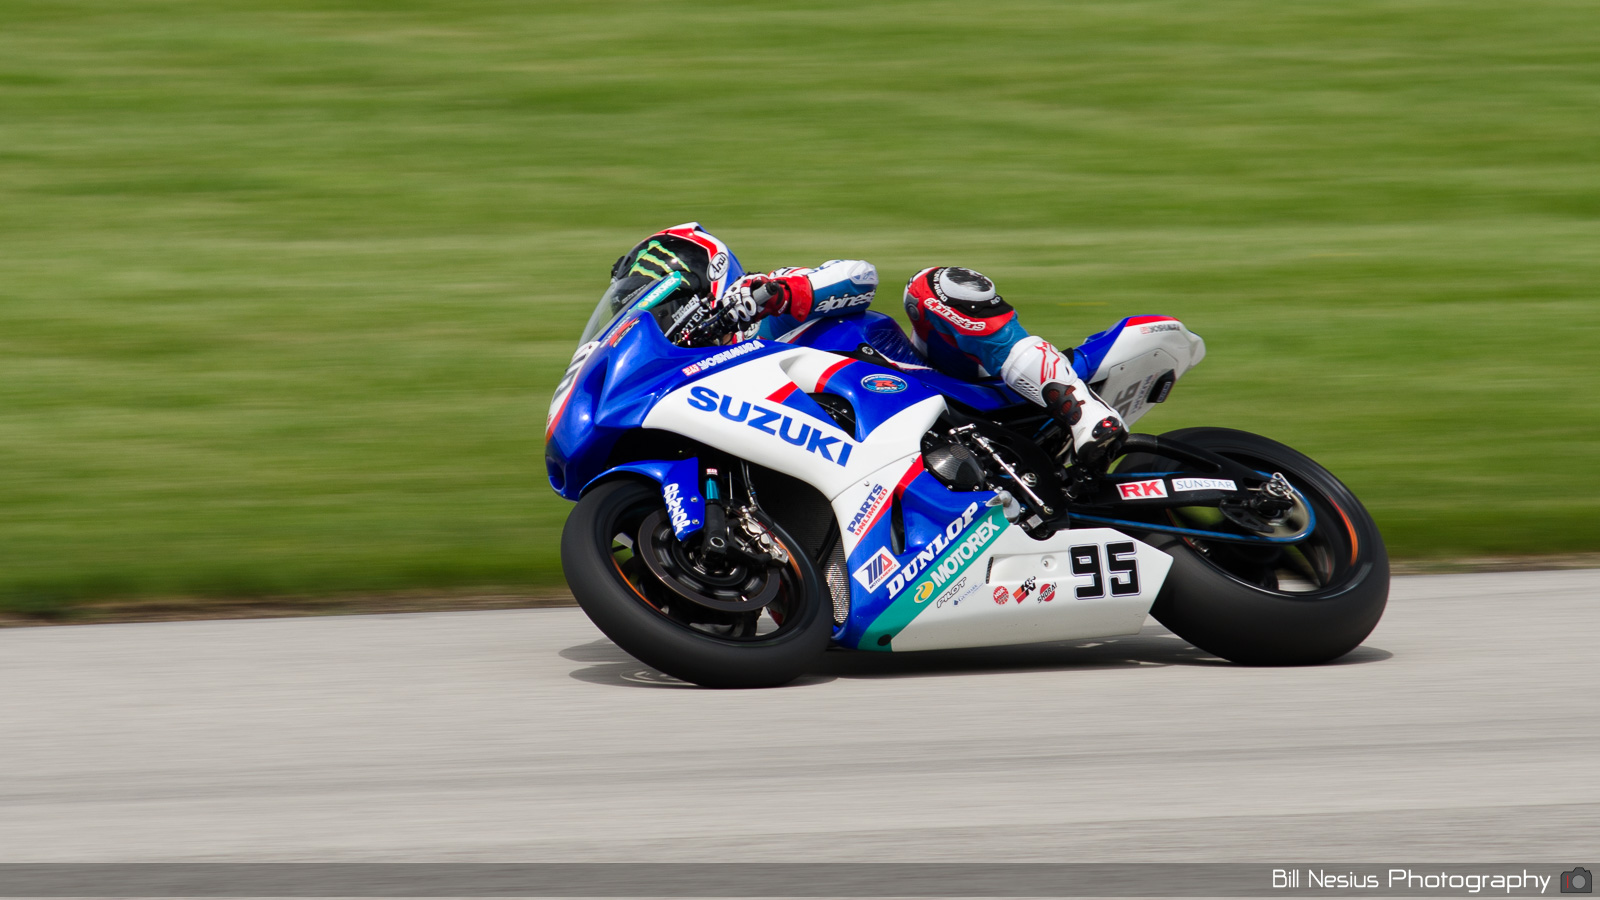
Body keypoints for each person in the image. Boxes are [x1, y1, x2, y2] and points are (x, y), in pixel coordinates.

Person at [606, 224, 1128, 467]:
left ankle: (1082, 412)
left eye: (661, 305)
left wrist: (774, 294)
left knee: (935, 286)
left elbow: (859, 275)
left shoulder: (764, 303)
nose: (659, 319)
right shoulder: (695, 379)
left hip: (938, 388)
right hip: (873, 451)